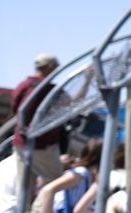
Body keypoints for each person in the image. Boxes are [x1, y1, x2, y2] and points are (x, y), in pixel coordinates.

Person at [11, 54, 80, 182]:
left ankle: (26, 203)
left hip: (21, 141)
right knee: (55, 182)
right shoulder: (49, 90)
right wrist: (86, 80)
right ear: (50, 66)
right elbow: (73, 104)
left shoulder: (24, 85)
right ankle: (41, 203)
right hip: (42, 144)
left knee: (24, 184)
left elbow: (16, 109)